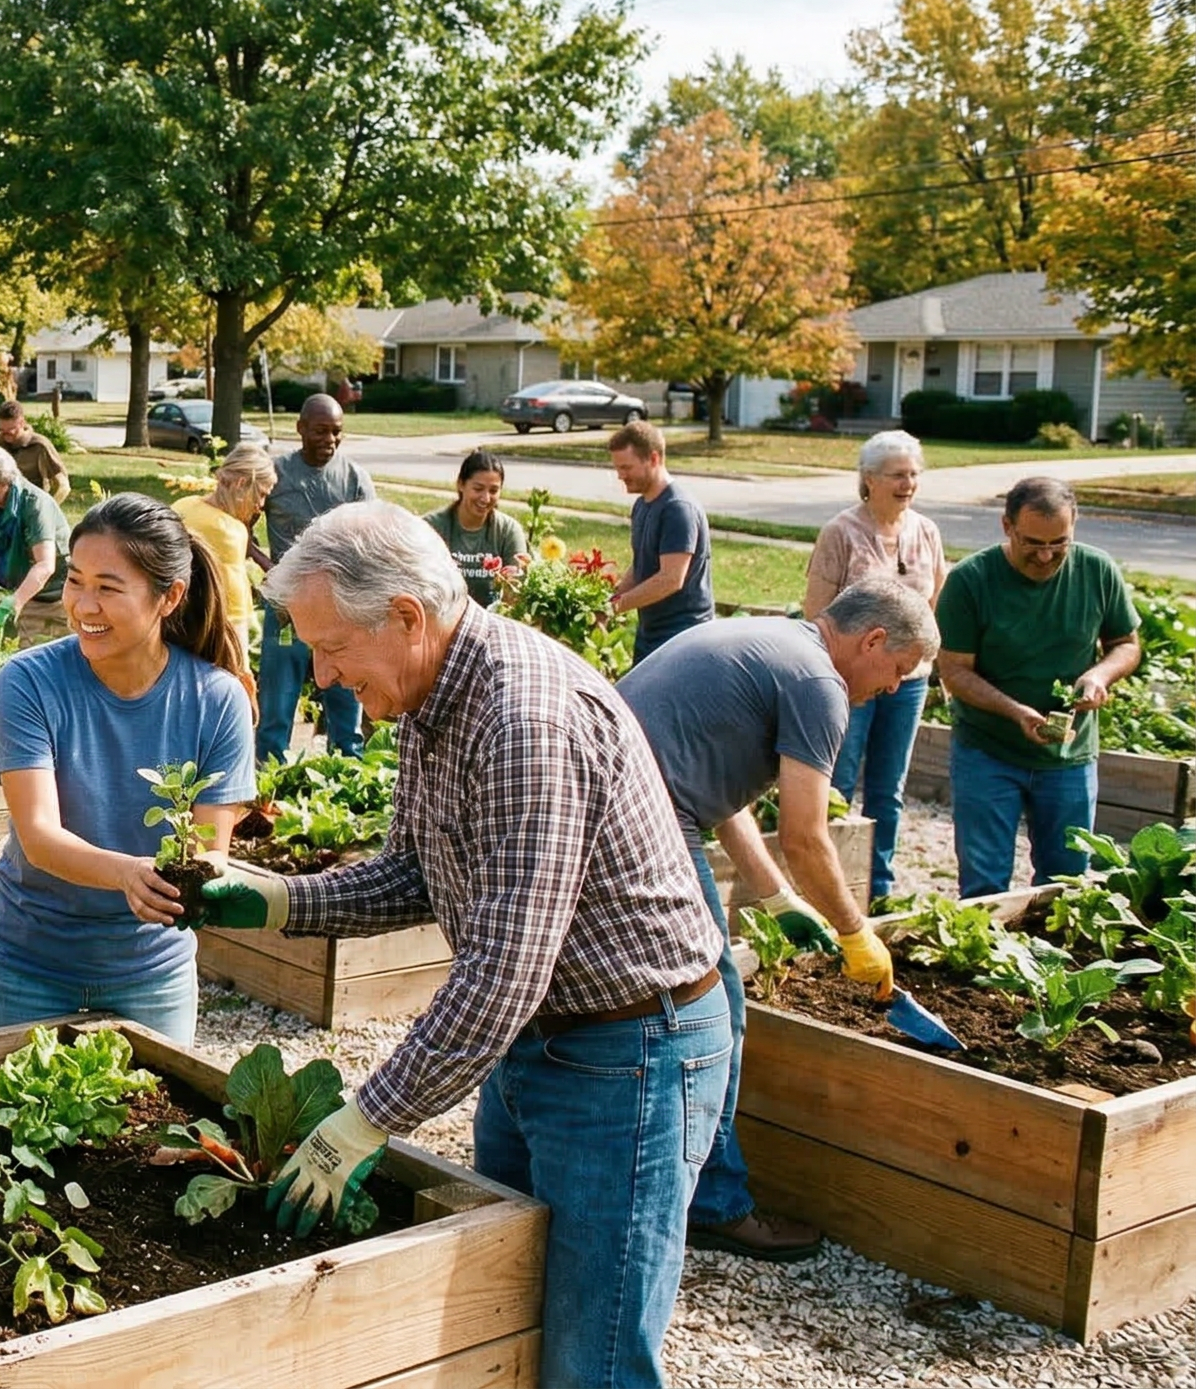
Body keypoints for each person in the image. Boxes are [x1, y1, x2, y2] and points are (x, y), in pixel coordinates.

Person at [190, 501, 729, 1389]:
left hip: (631, 1052)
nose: (318, 675)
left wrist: (368, 1119)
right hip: (541, 1039)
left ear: (405, 616)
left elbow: (506, 965)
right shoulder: (435, 698)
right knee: (506, 1306)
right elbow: (415, 874)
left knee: (593, 1356)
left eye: (330, 648)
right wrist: (279, 900)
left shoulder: (522, 718)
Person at [618, 582, 937, 1265]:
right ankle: (714, 1204)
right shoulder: (819, 683)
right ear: (873, 640)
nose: (892, 690)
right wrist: (856, 931)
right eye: (900, 672)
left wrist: (773, 898)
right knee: (714, 1007)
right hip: (642, 815)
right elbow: (807, 837)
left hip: (617, 793)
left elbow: (716, 789)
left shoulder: (773, 643)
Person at [0, 495, 254, 1044]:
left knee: (153, 1129)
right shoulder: (28, 681)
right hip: (28, 962)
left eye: (108, 588)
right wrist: (129, 873)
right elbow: (38, 837)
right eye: (77, 581)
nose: (83, 605)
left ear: (169, 597)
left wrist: (207, 882)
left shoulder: (217, 699)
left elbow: (206, 851)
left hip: (152, 971)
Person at [936, 476, 1141, 898]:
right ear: (1006, 526)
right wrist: (1015, 711)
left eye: (1059, 543)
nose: (1046, 555)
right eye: (1032, 542)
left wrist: (1099, 675)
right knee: (984, 882)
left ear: (1075, 527)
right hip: (988, 750)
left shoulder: (1097, 570)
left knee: (1066, 881)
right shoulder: (971, 580)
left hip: (1070, 756)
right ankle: (989, 962)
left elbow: (1126, 645)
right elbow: (954, 671)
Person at [805, 430, 948, 903]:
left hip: (909, 682)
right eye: (897, 475)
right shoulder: (841, 532)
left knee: (889, 787)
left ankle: (878, 887)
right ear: (868, 479)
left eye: (914, 474)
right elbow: (817, 611)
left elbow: (935, 602)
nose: (908, 483)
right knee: (838, 781)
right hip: (850, 680)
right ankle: (831, 886)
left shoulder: (926, 531)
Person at [259, 394, 371, 760]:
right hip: (286, 609)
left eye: (337, 432)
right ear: (301, 429)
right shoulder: (276, 475)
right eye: (320, 431)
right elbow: (240, 527)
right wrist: (270, 569)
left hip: (341, 608)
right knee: (278, 701)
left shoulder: (354, 477)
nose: (330, 440)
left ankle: (347, 776)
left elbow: (371, 535)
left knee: (344, 698)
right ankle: (269, 782)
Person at [609, 420, 715, 662]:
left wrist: (614, 607)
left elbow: (670, 579)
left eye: (626, 467)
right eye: (617, 468)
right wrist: (607, 600)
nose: (620, 475)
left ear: (654, 459)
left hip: (683, 638)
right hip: (650, 634)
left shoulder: (678, 508)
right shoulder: (642, 505)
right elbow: (641, 566)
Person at [172, 443, 274, 682]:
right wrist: (244, 671)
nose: (261, 504)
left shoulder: (183, 505)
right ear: (240, 484)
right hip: (212, 641)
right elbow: (234, 612)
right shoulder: (230, 531)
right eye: (261, 493)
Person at [0, 442, 71, 642]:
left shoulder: (35, 504)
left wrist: (11, 605)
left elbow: (45, 565)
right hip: (27, 595)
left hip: (59, 598)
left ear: (2, 480)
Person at [427, 451, 528, 608]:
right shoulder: (431, 526)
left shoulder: (508, 531)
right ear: (461, 484)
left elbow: (516, 591)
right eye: (478, 488)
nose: (486, 498)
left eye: (493, 491)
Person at [0, 400, 70, 503]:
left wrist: (48, 508)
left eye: (12, 429)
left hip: (32, 504)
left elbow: (63, 486)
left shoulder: (39, 445)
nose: (8, 434)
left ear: (22, 423)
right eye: (3, 430)